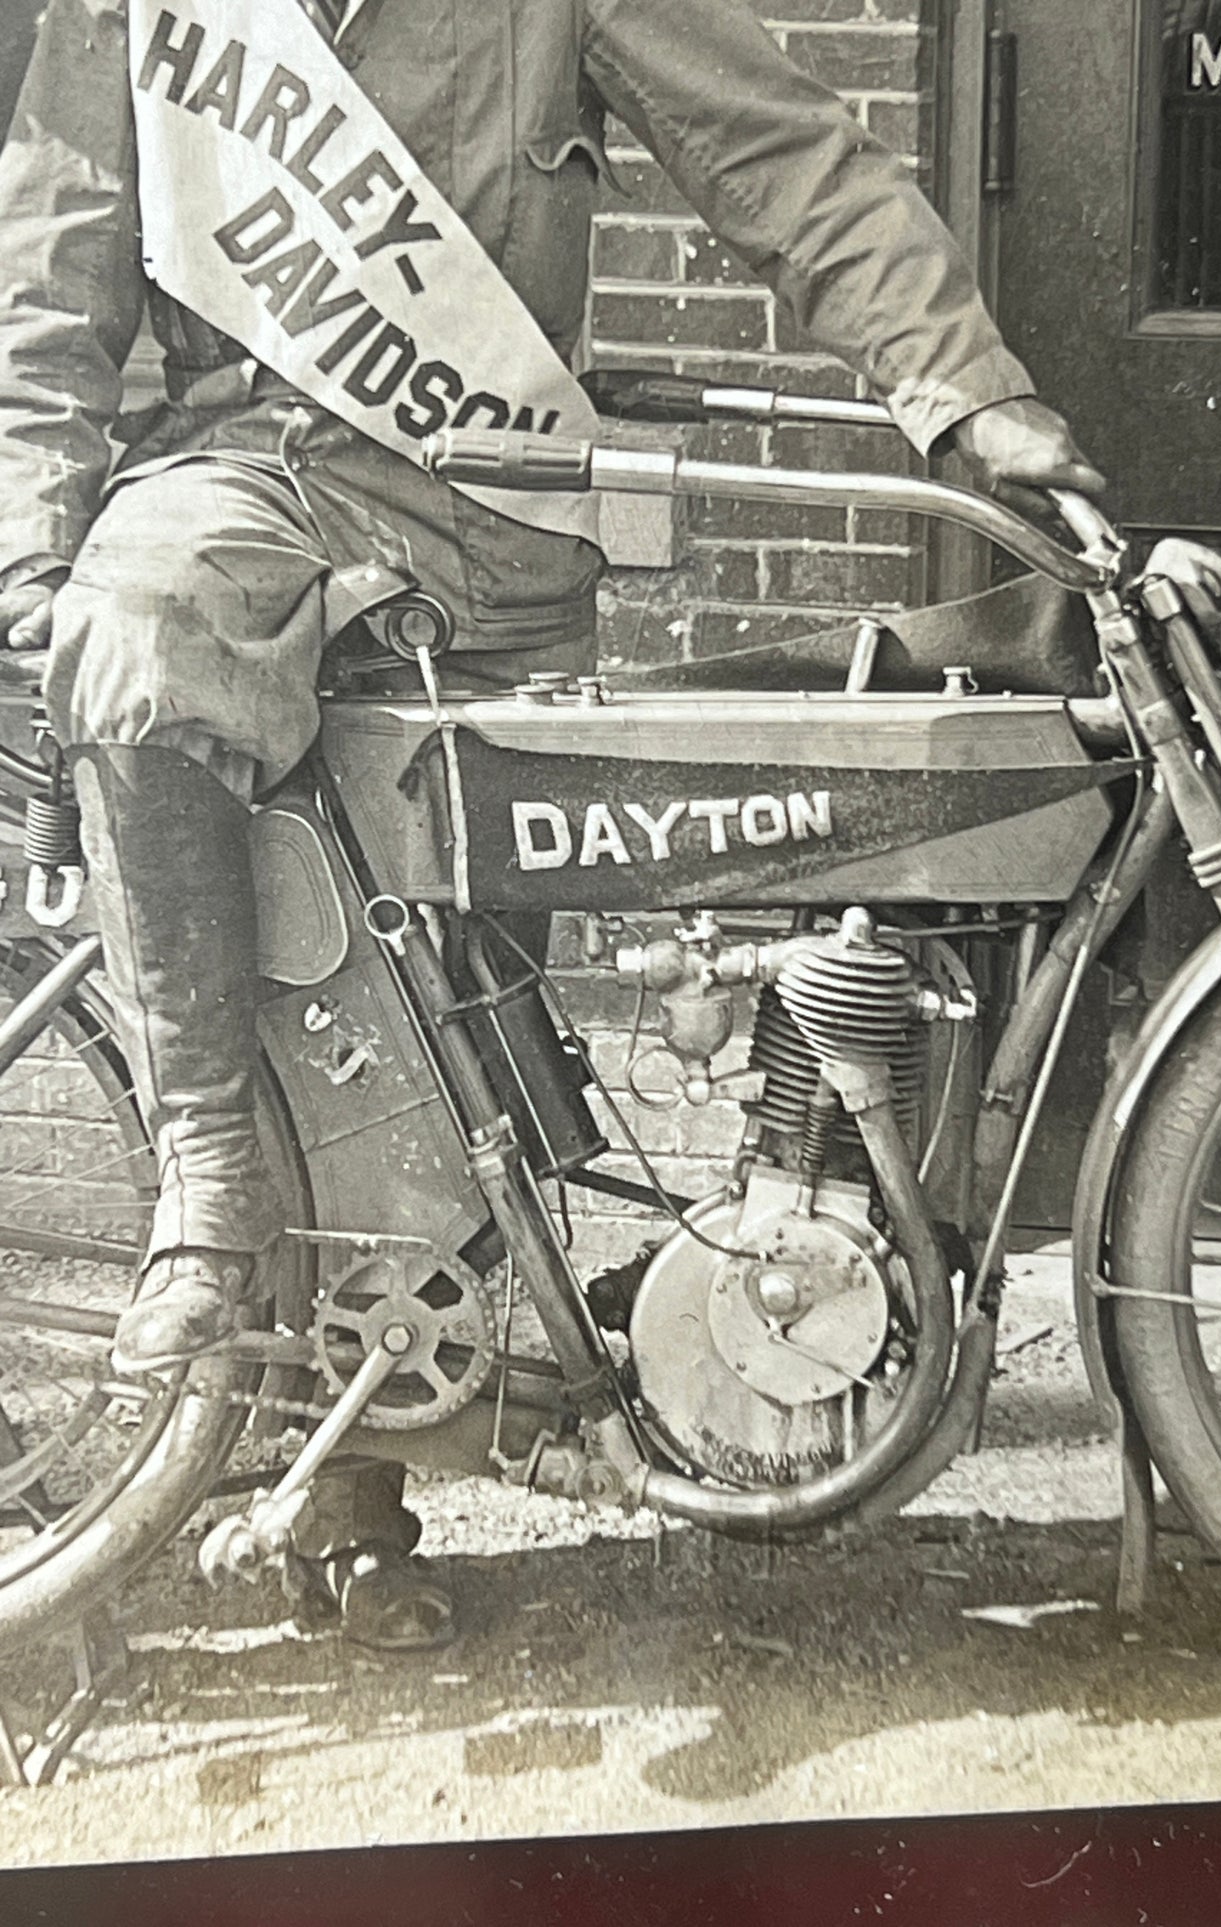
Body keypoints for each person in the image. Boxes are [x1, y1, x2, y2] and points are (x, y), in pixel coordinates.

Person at [0, 0, 1104, 1648]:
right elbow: (47, 279)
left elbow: (780, 149)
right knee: (137, 641)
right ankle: (212, 1178)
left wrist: (957, 387)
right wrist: (26, 572)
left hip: (487, 534)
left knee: (445, 1087)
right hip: (250, 489)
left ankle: (369, 1477)